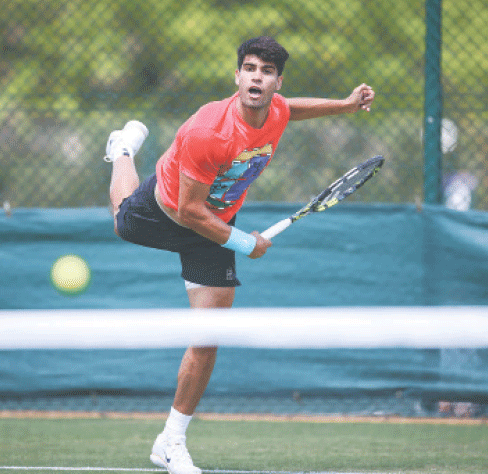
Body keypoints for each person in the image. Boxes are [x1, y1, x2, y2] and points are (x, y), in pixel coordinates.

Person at [105, 36, 375, 474]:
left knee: (208, 336)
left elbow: (293, 110)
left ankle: (170, 441)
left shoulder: (276, 110)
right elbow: (188, 211)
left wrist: (344, 106)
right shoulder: (208, 131)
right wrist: (245, 243)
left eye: (266, 72)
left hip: (211, 226)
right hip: (167, 208)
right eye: (250, 68)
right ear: (237, 76)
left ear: (276, 82)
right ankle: (121, 149)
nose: (257, 77)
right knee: (121, 216)